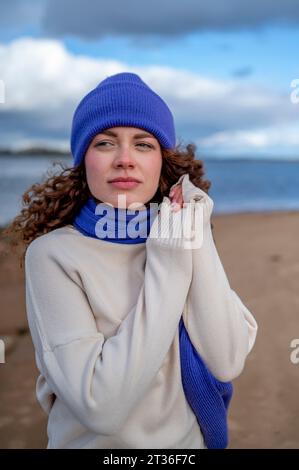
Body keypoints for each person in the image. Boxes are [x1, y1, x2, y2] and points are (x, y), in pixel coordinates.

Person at [6, 72, 258, 449]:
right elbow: (100, 406)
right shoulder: (54, 256)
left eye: (143, 144)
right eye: (105, 143)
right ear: (83, 160)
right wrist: (170, 262)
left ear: (162, 161)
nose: (125, 160)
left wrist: (196, 232)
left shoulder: (181, 229)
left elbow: (227, 359)